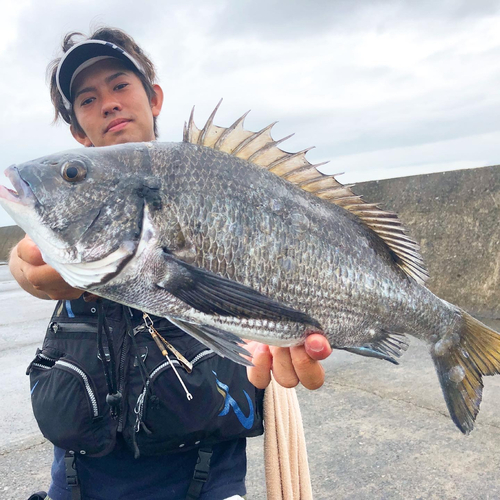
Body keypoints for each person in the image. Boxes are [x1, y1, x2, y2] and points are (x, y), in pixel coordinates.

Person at [10, 27, 332, 500]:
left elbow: (292, 254)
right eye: (87, 99)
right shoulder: (75, 219)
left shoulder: (214, 179)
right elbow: (27, 257)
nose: (109, 103)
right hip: (79, 482)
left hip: (205, 480)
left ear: (154, 97)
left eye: (120, 85)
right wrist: (27, 272)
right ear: (78, 131)